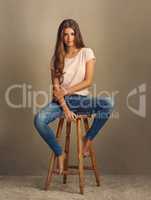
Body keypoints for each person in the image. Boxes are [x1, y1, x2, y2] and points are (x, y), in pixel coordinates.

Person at [34, 19, 114, 175]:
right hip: (60, 102)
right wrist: (65, 107)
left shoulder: (87, 52)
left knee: (108, 103)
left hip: (81, 101)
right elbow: (56, 90)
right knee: (39, 119)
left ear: (77, 34)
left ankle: (88, 138)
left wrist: (67, 90)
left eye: (72, 34)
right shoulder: (56, 59)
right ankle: (60, 153)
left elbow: (88, 81)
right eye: (65, 34)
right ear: (61, 37)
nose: (69, 38)